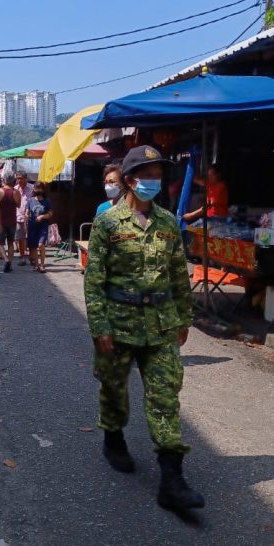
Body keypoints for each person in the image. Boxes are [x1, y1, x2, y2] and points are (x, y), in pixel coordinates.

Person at [84, 145, 203, 512]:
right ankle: (113, 437)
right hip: (118, 322)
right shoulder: (108, 222)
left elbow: (178, 274)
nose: (154, 181)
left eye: (158, 175)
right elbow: (94, 280)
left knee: (165, 396)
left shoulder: (167, 222)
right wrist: (99, 327)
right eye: (147, 175)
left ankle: (172, 479)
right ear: (130, 180)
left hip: (161, 323)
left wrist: (184, 317)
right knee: (114, 388)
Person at [0, 171, 21, 273]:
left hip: (1, 220)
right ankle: (10, 264)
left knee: (0, 244)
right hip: (12, 220)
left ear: (4, 180)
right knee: (11, 243)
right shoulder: (16, 192)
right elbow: (19, 205)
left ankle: (6, 260)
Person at [26, 183, 52, 273]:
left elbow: (50, 214)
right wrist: (26, 216)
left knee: (41, 244)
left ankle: (42, 264)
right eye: (36, 188)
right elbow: (27, 212)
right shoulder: (30, 200)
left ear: (43, 190)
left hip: (43, 226)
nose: (37, 190)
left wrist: (42, 216)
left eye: (39, 188)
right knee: (33, 246)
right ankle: (36, 265)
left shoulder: (47, 201)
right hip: (32, 226)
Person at [14, 171, 33, 265]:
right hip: (18, 217)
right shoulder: (15, 189)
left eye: (21, 178)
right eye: (18, 178)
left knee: (31, 238)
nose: (19, 180)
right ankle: (23, 257)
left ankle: (32, 257)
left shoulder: (32, 188)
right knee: (20, 238)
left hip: (30, 217)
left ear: (26, 178)